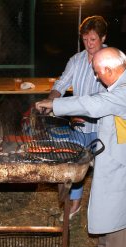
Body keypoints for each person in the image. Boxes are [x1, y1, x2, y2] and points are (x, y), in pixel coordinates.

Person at [35, 47, 126, 247]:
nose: (97, 78)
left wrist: (55, 104)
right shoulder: (123, 80)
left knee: (120, 212)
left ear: (109, 70)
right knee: (108, 204)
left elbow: (97, 103)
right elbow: (106, 111)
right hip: (117, 152)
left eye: (98, 73)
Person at [47, 15, 108, 221]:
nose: (89, 44)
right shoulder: (76, 60)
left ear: (103, 38)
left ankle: (103, 208)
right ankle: (74, 203)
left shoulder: (112, 59)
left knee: (103, 170)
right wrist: (51, 101)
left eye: (93, 40)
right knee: (72, 165)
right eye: (85, 39)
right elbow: (61, 84)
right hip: (80, 124)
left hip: (104, 125)